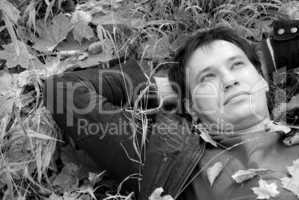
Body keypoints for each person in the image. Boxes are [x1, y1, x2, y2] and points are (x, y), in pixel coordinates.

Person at [168, 26, 299, 200]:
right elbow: (120, 88)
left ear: (262, 79)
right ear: (191, 107)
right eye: (207, 77)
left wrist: (270, 51)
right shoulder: (181, 170)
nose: (229, 81)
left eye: (237, 64)